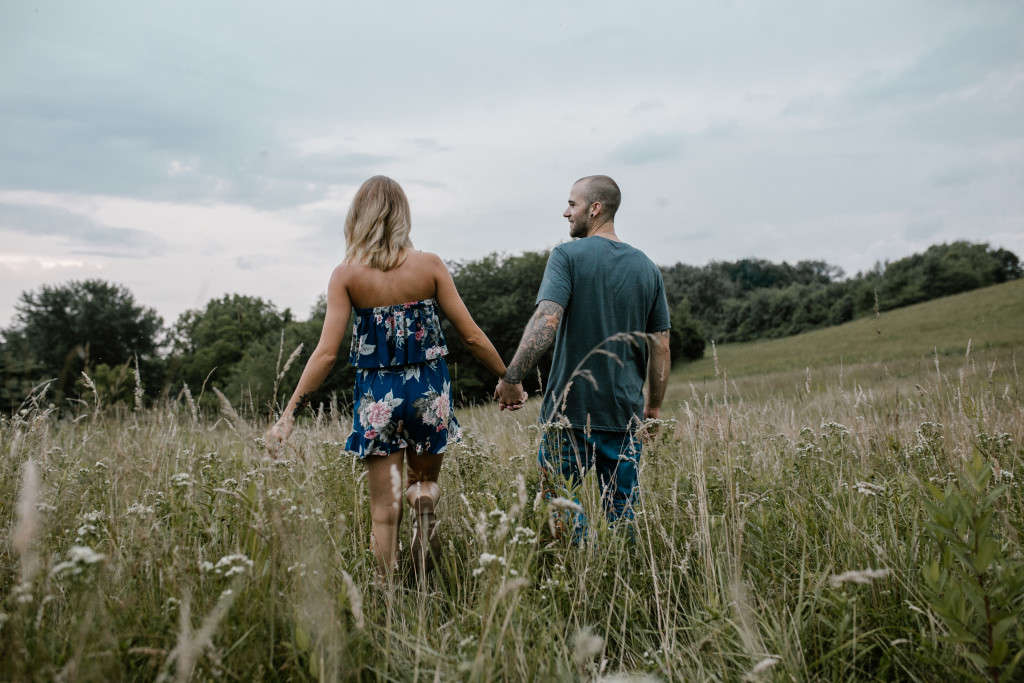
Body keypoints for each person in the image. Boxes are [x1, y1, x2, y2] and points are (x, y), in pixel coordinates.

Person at [267, 175, 508, 578]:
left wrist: (289, 413)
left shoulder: (346, 275)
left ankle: (391, 602)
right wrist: (508, 376)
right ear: (403, 216)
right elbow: (470, 334)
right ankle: (424, 503)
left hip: (378, 397)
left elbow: (325, 353)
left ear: (357, 217)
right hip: (430, 392)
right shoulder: (429, 265)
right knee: (424, 483)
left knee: (383, 514)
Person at [494, 174, 671, 538]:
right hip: (624, 413)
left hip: (568, 414)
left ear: (595, 208)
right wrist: (652, 409)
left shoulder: (566, 256)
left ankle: (577, 582)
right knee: (624, 513)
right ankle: (626, 585)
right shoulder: (647, 267)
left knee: (561, 507)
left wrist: (512, 378)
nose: (565, 212)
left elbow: (547, 319)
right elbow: (662, 345)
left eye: (572, 204)